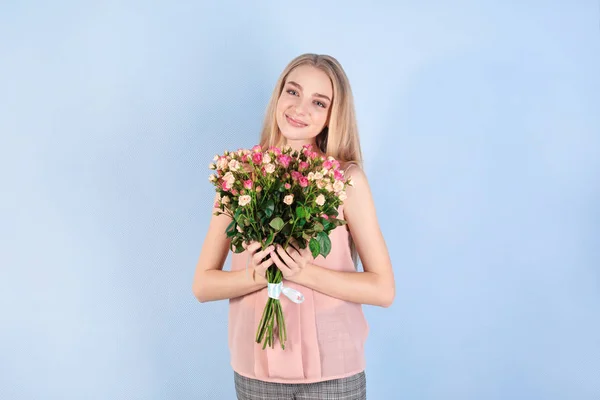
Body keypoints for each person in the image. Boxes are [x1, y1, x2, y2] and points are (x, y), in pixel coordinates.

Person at [192, 53, 395, 400]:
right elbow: (202, 285)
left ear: (333, 116)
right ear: (278, 95)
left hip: (334, 374)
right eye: (293, 92)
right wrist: (253, 276)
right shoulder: (240, 175)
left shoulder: (346, 180)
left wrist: (302, 272)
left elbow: (383, 290)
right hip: (256, 370)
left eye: (319, 102)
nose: (300, 108)